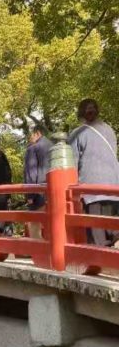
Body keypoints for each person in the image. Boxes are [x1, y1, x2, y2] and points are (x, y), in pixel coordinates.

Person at [67, 98, 119, 248]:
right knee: (112, 225)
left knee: (96, 229)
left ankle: (101, 261)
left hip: (92, 187)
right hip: (114, 184)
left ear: (80, 114)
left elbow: (72, 164)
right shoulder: (109, 130)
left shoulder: (77, 133)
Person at [23, 125, 53, 238]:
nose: (30, 138)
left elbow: (31, 173)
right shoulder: (54, 147)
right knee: (53, 222)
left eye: (31, 134)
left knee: (34, 223)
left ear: (37, 133)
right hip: (54, 191)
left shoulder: (33, 148)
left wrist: (30, 195)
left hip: (39, 192)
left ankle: (38, 251)